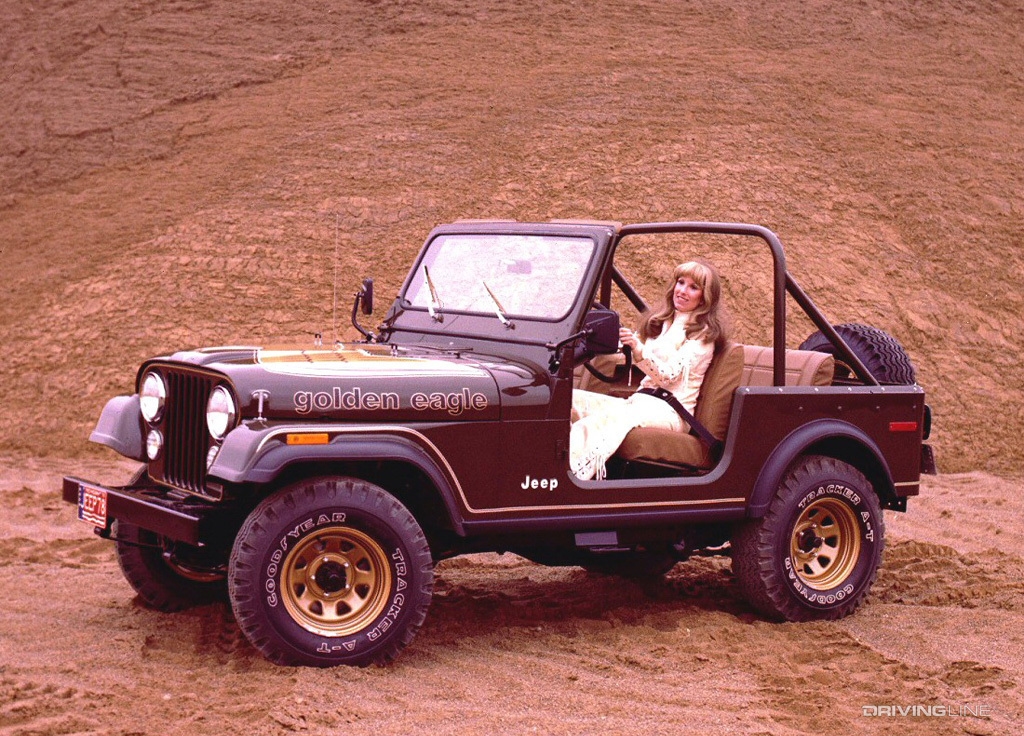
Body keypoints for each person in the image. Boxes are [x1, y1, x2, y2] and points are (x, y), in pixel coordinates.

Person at [570, 259, 729, 481]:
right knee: (568, 401)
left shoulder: (703, 335)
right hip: (641, 402)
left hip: (671, 412)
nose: (682, 291)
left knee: (609, 419)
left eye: (693, 287)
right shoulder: (662, 323)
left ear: (705, 298)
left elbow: (667, 375)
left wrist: (638, 348)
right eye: (680, 282)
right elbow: (635, 352)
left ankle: (571, 476)